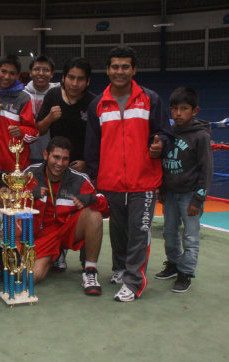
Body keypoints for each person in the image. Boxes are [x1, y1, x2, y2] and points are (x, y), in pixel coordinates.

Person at [84, 46, 172, 302]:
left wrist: (160, 145)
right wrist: (96, 177)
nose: (119, 71)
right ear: (108, 70)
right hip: (111, 182)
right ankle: (120, 268)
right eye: (114, 66)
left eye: (125, 66)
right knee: (119, 230)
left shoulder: (151, 99)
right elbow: (92, 147)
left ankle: (134, 282)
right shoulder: (97, 105)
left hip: (143, 180)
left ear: (133, 70)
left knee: (139, 230)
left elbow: (164, 133)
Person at [24, 136, 109, 295]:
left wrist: (92, 199)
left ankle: (90, 271)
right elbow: (8, 201)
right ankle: (55, 256)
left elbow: (106, 207)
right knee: (31, 277)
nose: (60, 163)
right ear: (45, 155)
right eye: (56, 157)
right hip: (41, 236)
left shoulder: (79, 179)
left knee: (94, 215)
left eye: (65, 159)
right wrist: (28, 195)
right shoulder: (29, 174)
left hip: (66, 230)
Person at [156, 87, 213, 293]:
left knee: (190, 236)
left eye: (184, 108)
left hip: (190, 195)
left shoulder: (200, 136)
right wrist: (161, 188)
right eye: (174, 109)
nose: (178, 113)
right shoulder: (167, 132)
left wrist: (198, 198)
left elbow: (206, 169)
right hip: (170, 194)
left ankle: (186, 272)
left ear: (195, 110)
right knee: (169, 232)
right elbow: (162, 162)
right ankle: (173, 264)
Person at [0, 55, 59, 164]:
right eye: (37, 69)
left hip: (49, 154)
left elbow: (34, 131)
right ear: (30, 72)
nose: (41, 73)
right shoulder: (2, 93)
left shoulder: (57, 93)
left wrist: (21, 131)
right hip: (3, 159)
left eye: (45, 70)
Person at [0, 55, 39, 194]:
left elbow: (34, 132)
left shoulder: (24, 98)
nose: (6, 76)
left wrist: (21, 131)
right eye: (3, 71)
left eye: (12, 73)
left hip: (14, 170)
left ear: (18, 75)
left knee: (14, 211)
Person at [36, 57, 95, 172]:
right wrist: (49, 118)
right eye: (71, 78)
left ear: (88, 81)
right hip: (56, 163)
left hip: (81, 166)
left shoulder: (93, 103)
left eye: (80, 79)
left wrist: (87, 163)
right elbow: (39, 130)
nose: (75, 83)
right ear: (63, 78)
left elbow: (98, 140)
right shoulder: (53, 95)